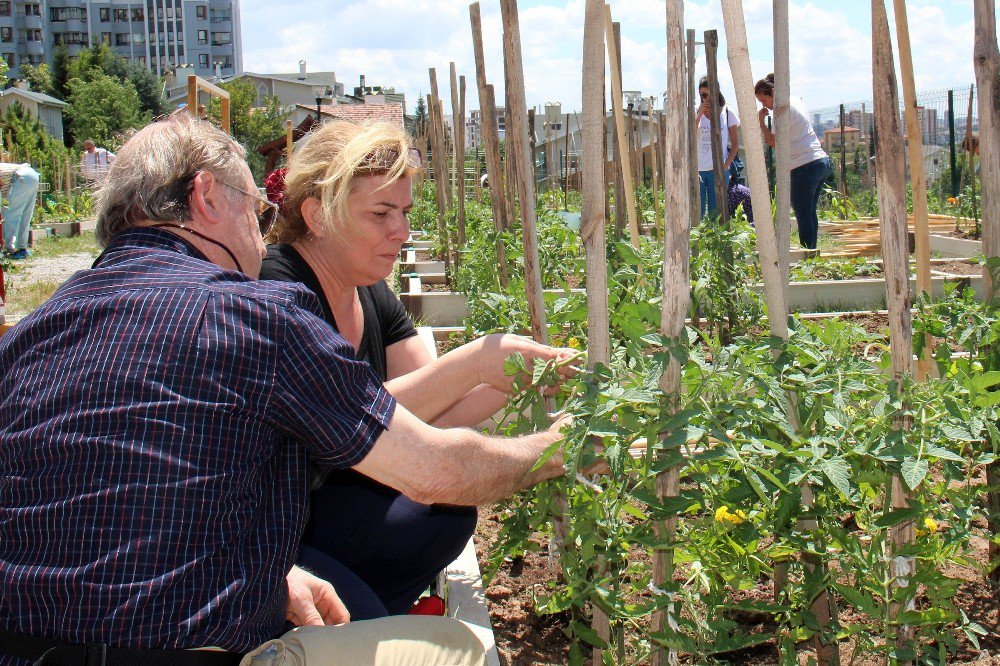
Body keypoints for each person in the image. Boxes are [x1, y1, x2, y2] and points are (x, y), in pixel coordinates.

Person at [0, 112, 582, 664]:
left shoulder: (31, 332)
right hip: (178, 648)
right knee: (460, 649)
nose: (263, 234)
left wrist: (268, 576)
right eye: (254, 211)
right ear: (205, 197)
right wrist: (566, 446)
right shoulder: (251, 314)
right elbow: (440, 471)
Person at [260, 120, 578, 620]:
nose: (401, 231)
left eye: (405, 212)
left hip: (328, 502)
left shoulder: (366, 287)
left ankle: (370, 611)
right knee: (368, 613)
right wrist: (475, 359)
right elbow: (352, 425)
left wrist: (512, 379)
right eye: (381, 213)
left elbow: (432, 417)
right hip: (270, 533)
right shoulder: (277, 290)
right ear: (317, 215)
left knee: (444, 515)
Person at [754, 73, 831, 250]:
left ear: (772, 92)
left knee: (802, 212)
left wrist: (761, 122)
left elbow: (773, 142)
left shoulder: (782, 110)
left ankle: (807, 251)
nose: (764, 105)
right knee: (809, 211)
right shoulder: (795, 99)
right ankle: (811, 249)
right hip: (819, 160)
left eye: (764, 100)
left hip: (804, 165)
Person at [694, 76, 741, 221]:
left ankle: (717, 243)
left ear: (716, 92)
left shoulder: (727, 112)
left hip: (719, 171)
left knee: (717, 214)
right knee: (698, 213)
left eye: (709, 94)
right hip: (699, 170)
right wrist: (699, 114)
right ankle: (698, 243)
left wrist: (725, 166)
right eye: (702, 95)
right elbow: (688, 136)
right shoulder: (696, 111)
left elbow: (735, 144)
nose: (706, 98)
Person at [0, 161, 39, 259]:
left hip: (20, 177)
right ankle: (22, 249)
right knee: (26, 215)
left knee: (10, 214)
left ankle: (11, 249)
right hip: (32, 175)